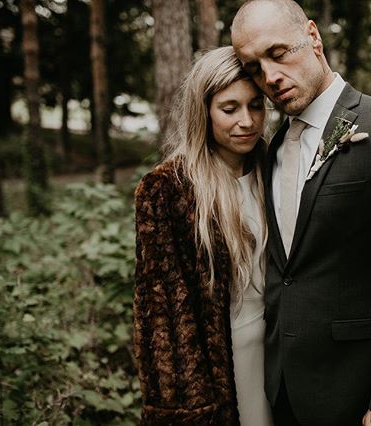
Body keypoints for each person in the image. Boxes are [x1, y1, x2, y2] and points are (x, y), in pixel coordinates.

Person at [231, 1, 371, 425]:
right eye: (254, 68)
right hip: (280, 391)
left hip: (357, 396)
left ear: (313, 37)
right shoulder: (274, 146)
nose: (270, 78)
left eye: (278, 54)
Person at [133, 46, 273, 426]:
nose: (246, 121)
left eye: (256, 106)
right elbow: (162, 312)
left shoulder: (275, 172)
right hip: (219, 369)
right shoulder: (168, 189)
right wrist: (188, 407)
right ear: (204, 111)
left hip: (283, 357)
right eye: (229, 109)